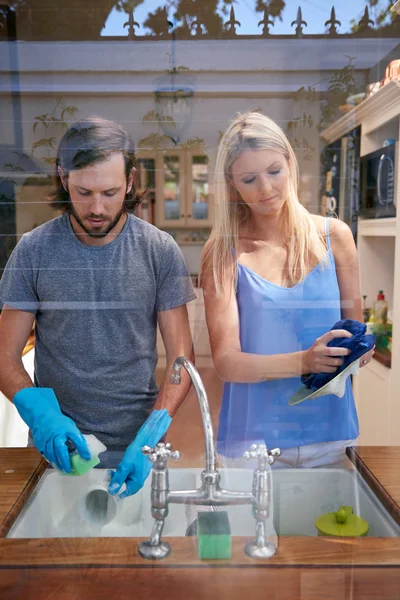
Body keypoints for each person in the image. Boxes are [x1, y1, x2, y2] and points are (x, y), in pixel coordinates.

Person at [0, 117, 196, 497]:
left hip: (136, 447)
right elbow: (5, 355)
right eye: (83, 191)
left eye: (109, 192)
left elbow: (180, 358)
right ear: (62, 177)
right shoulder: (33, 250)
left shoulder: (158, 251)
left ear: (131, 181)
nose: (96, 207)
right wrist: (41, 415)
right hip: (57, 451)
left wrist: (154, 430)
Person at [200, 111, 374, 469]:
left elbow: (357, 333)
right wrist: (304, 362)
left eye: (274, 172)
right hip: (251, 444)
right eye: (249, 179)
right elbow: (227, 363)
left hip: (330, 435)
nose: (266, 189)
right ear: (232, 184)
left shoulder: (335, 237)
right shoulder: (223, 253)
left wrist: (359, 349)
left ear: (290, 164)